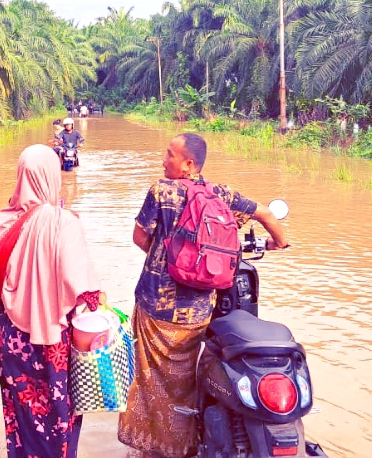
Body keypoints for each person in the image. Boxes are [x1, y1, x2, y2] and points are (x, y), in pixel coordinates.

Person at [117, 132, 290, 458]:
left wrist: (165, 259)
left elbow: (140, 237)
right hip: (199, 310)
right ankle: (190, 441)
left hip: (157, 307)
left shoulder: (161, 192)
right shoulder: (220, 193)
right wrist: (277, 243)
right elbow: (267, 214)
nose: (163, 160)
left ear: (188, 163)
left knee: (153, 379)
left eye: (169, 155)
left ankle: (158, 447)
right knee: (186, 377)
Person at [0, 144, 102, 458]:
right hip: (55, 343)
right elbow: (87, 294)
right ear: (53, 177)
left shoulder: (0, 221)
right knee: (59, 412)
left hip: (13, 342)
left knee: (22, 413)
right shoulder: (64, 222)